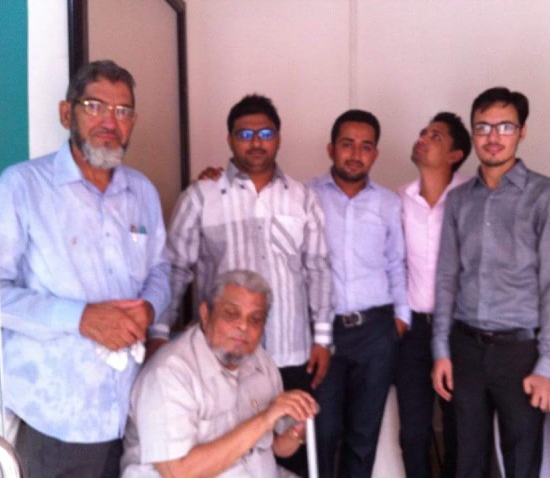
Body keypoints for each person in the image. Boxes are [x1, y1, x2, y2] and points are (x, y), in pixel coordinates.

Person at [0, 60, 170, 477]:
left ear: (132, 122)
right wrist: (80, 318)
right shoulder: (22, 187)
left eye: (122, 111)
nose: (110, 122)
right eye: (95, 106)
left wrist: (149, 308)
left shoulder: (142, 191)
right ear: (66, 113)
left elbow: (161, 270)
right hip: (55, 418)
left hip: (128, 410)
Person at [160, 94, 333, 475]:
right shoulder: (201, 197)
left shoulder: (302, 198)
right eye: (245, 134)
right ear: (230, 140)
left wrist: (322, 338)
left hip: (290, 352)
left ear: (278, 138)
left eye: (265, 133)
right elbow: (175, 269)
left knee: (292, 449)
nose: (256, 142)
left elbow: (318, 268)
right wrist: (158, 333)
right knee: (227, 451)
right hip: (223, 357)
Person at [431, 87, 550, 477]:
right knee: (466, 460)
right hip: (465, 348)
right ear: (473, 133)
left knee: (521, 462)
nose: (493, 137)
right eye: (483, 127)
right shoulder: (459, 200)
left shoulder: (548, 197)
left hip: (521, 352)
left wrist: (548, 362)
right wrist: (441, 348)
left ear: (522, 132)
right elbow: (447, 277)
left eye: (505, 127)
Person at [121, 269, 318, 477]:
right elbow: (178, 472)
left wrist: (296, 431)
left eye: (255, 319)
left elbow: (278, 446)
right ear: (206, 315)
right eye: (231, 314)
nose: (243, 326)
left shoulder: (261, 361)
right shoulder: (169, 373)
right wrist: (265, 419)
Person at [308, 110, 409, 478]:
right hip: (324, 333)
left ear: (375, 154)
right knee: (323, 430)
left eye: (366, 147)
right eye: (347, 144)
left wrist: (400, 320)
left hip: (375, 331)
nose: (355, 154)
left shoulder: (388, 202)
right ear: (331, 148)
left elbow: (396, 262)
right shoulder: (306, 195)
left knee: (363, 436)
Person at [396, 112, 471, 478]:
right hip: (413, 331)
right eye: (423, 132)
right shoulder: (400, 199)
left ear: (455, 155)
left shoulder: (471, 197)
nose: (423, 138)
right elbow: (392, 264)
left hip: (458, 330)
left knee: (461, 428)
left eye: (436, 136)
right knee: (413, 432)